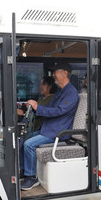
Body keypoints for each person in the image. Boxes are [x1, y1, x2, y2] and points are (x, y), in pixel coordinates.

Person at [21, 62, 79, 191]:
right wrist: (36, 106)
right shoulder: (60, 92)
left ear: (64, 73)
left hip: (58, 132)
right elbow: (48, 108)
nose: (53, 75)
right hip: (49, 129)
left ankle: (31, 177)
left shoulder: (71, 93)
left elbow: (58, 111)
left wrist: (37, 107)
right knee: (24, 138)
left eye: (55, 72)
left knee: (29, 144)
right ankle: (24, 169)